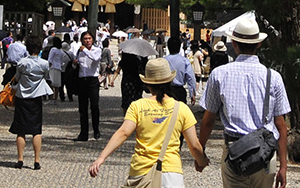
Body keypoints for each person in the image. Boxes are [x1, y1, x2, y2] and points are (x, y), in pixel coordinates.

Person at [88, 58, 210, 187]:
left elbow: (123, 133)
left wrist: (101, 158)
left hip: (142, 171)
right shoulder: (181, 108)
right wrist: (201, 161)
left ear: (147, 84)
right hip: (171, 173)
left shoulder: (137, 106)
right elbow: (194, 145)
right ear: (169, 81)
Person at [198, 18, 290, 188]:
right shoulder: (273, 77)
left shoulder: (219, 75)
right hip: (265, 154)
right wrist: (283, 166)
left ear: (234, 42)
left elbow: (208, 119)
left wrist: (200, 152)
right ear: (259, 44)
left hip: (235, 151)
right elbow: (281, 125)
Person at [9, 36, 53, 170]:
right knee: (36, 130)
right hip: (36, 98)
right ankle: (37, 160)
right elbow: (46, 77)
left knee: (21, 130)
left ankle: (20, 159)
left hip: (23, 98)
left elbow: (16, 78)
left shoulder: (22, 63)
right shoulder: (44, 64)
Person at [73, 31, 102, 141]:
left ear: (92, 39)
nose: (87, 40)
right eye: (85, 38)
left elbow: (95, 58)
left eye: (89, 38)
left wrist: (85, 50)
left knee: (94, 106)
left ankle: (96, 130)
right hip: (82, 80)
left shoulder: (97, 50)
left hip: (93, 80)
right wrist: (75, 63)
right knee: (82, 108)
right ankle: (83, 133)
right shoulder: (79, 51)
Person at [164, 36, 196, 105]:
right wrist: (192, 93)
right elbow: (190, 78)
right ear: (179, 48)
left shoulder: (163, 61)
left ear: (168, 47)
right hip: (179, 91)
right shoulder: (185, 61)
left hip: (166, 91)